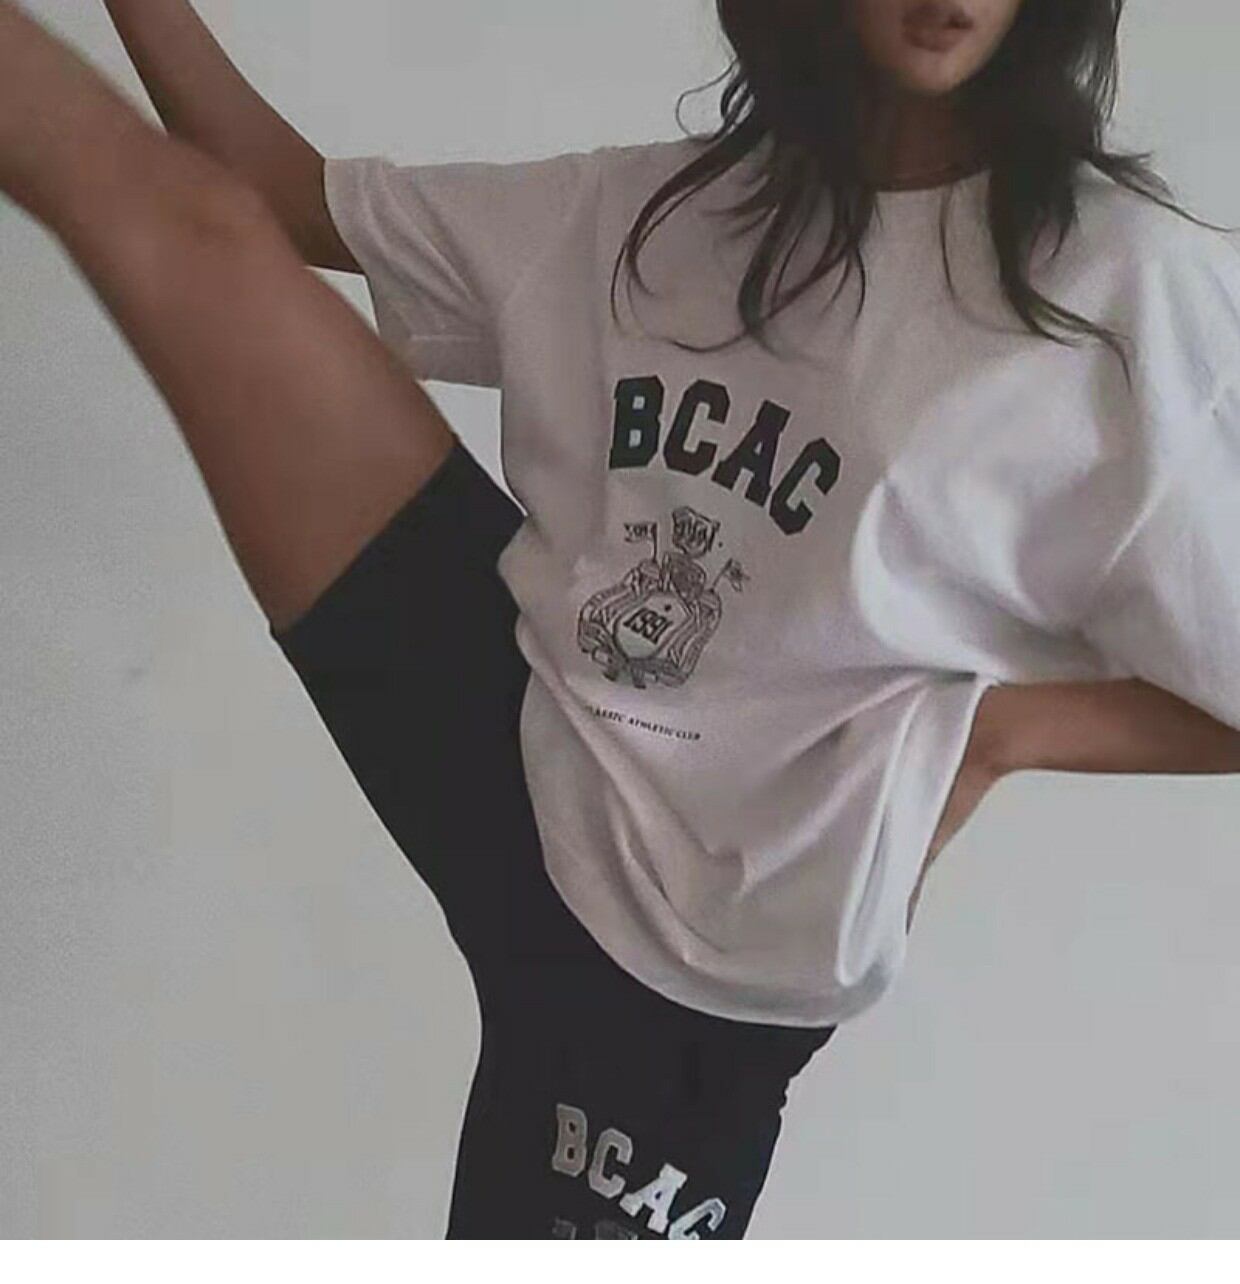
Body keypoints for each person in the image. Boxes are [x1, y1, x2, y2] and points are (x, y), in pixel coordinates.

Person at [3, 0, 1239, 1240]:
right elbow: (276, 197)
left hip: (704, 963)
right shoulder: (665, 215)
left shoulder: (1116, 286)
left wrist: (997, 735)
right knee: (198, 236)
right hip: (520, 715)